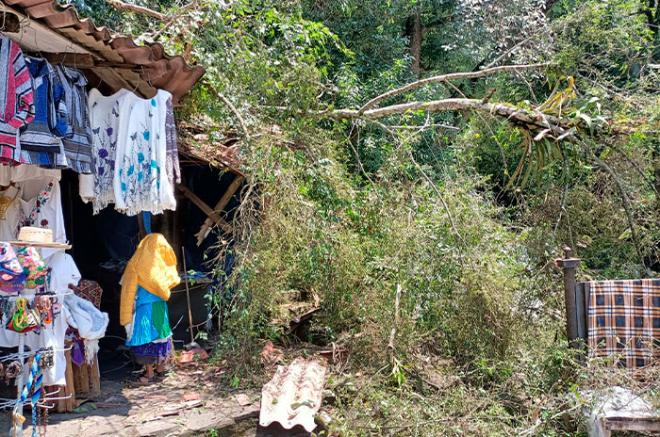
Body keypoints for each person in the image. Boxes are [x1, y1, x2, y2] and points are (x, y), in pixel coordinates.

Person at [120, 233, 180, 382]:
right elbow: (172, 281)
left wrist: (126, 314)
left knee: (146, 337)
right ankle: (160, 370)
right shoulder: (162, 266)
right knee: (160, 336)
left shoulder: (137, 263)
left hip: (144, 308)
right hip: (160, 306)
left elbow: (128, 289)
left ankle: (149, 373)